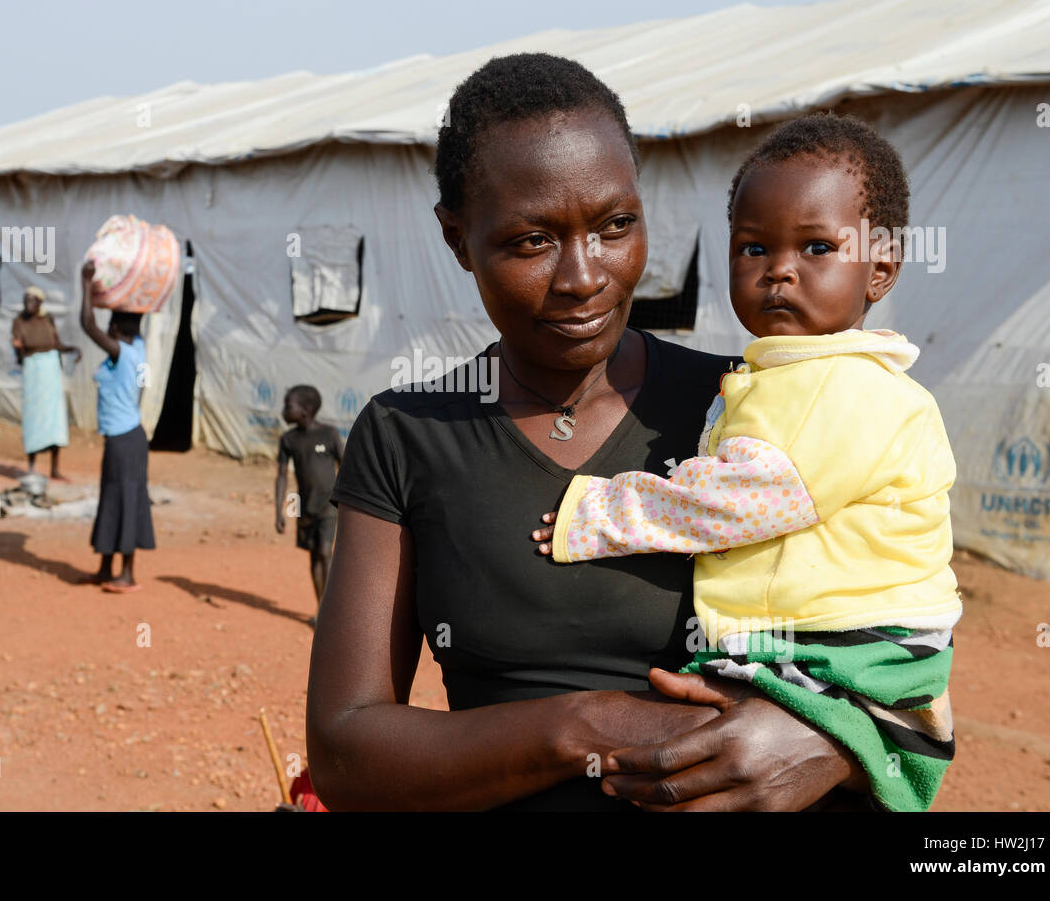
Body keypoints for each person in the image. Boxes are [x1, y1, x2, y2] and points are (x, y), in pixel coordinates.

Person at [306, 53, 871, 811]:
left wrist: (833, 742)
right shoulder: (407, 435)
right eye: (531, 241)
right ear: (456, 238)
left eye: (615, 226)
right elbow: (346, 753)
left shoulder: (756, 405)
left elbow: (910, 651)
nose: (582, 277)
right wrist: (586, 727)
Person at [533, 114, 960, 811]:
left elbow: (741, 497)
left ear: (879, 267)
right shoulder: (788, 374)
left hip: (852, 649)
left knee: (703, 759)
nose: (779, 270)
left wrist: (602, 515)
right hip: (836, 645)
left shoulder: (843, 386)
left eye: (816, 246)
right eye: (752, 247)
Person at [79, 261, 154, 592]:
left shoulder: (125, 354)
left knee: (126, 498)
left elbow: (86, 323)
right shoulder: (137, 347)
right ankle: (106, 568)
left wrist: (85, 282)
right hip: (124, 439)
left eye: (111, 326)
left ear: (117, 332)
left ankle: (128, 574)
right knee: (112, 498)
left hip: (125, 440)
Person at [274, 385, 343, 610]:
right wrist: (278, 511)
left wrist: (349, 503)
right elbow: (282, 476)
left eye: (288, 406)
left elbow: (345, 467)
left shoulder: (329, 433)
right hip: (304, 505)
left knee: (325, 551)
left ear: (306, 409)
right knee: (314, 555)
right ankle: (321, 608)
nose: (284, 411)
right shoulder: (288, 440)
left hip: (329, 504)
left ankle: (332, 609)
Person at [11, 287, 78, 479]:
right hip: (33, 372)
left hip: (50, 373)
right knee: (34, 418)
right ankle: (31, 467)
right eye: (26, 300)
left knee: (53, 419)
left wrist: (72, 349)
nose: (28, 304)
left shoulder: (48, 319)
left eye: (32, 301)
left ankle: (54, 468)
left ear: (40, 303)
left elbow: (56, 343)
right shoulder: (18, 322)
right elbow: (19, 351)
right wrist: (18, 350)